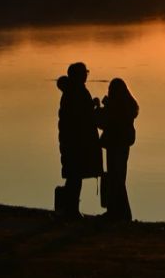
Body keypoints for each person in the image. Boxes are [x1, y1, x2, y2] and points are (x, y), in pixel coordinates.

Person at [57, 62, 103, 219]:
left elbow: (79, 113)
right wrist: (95, 106)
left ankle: (70, 209)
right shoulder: (77, 92)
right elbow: (82, 117)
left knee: (74, 176)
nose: (86, 75)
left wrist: (91, 105)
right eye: (84, 72)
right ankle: (71, 211)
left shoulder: (72, 92)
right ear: (77, 75)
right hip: (76, 143)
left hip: (71, 142)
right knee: (75, 177)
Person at [96, 78, 139, 221]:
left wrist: (104, 107)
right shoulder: (128, 106)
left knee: (117, 179)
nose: (109, 92)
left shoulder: (119, 107)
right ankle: (117, 211)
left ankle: (121, 213)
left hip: (116, 145)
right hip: (120, 145)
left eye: (111, 89)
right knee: (117, 178)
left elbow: (106, 122)